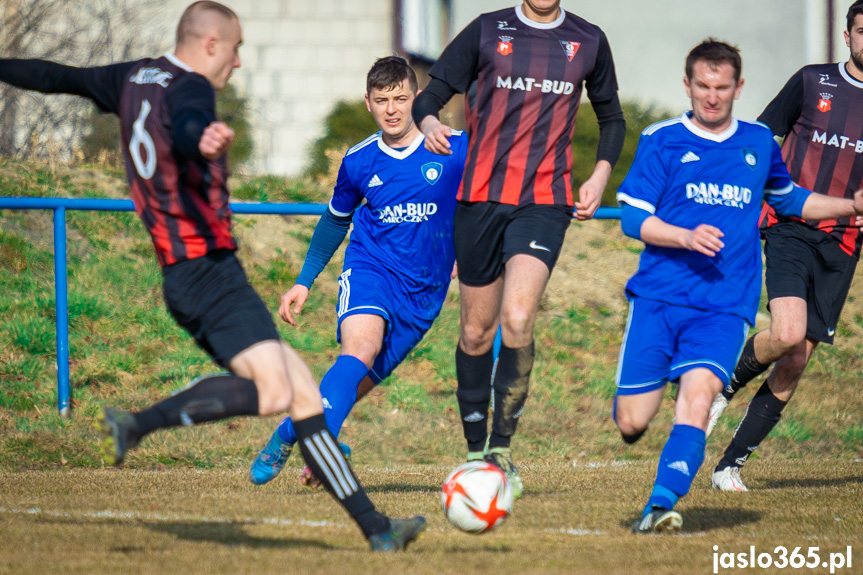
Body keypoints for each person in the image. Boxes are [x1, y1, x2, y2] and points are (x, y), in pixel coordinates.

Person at [0, 1, 424, 551]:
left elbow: (54, 77)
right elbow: (192, 120)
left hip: (181, 274)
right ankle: (138, 424)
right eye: (237, 48)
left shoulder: (132, 78)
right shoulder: (192, 87)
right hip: (210, 274)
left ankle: (378, 531)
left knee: (303, 398)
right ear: (209, 45)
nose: (239, 62)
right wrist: (200, 138)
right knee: (284, 391)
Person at [614, 39, 863, 533]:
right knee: (632, 421)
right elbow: (631, 218)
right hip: (660, 297)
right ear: (687, 85)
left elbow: (792, 199)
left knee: (700, 394)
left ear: (738, 88)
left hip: (725, 303)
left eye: (722, 88)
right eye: (702, 87)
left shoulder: (756, 144)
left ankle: (660, 505)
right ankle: (649, 421)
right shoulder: (661, 139)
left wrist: (850, 206)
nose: (711, 97)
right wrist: (684, 235)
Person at [411, 0, 626, 498]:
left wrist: (599, 175)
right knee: (474, 331)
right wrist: (430, 125)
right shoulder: (487, 30)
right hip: (479, 197)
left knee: (519, 317)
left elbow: (612, 117)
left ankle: (501, 451)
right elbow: (432, 95)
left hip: (544, 200)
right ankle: (472, 451)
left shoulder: (588, 40)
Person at [247, 56, 468, 487]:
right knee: (360, 348)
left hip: (424, 291)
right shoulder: (359, 161)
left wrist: (467, 249)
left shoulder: (454, 148)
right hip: (371, 269)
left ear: (417, 100)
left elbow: (478, 206)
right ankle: (319, 447)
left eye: (401, 99)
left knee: (356, 382)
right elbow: (335, 220)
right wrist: (303, 281)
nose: (392, 109)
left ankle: (295, 430)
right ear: (368, 103)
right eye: (382, 100)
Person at [707, 0, 863, 492]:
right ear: (847, 36)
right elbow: (762, 135)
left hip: (846, 241)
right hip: (790, 225)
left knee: (796, 359)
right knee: (788, 332)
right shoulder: (813, 81)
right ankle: (726, 385)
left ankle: (730, 465)